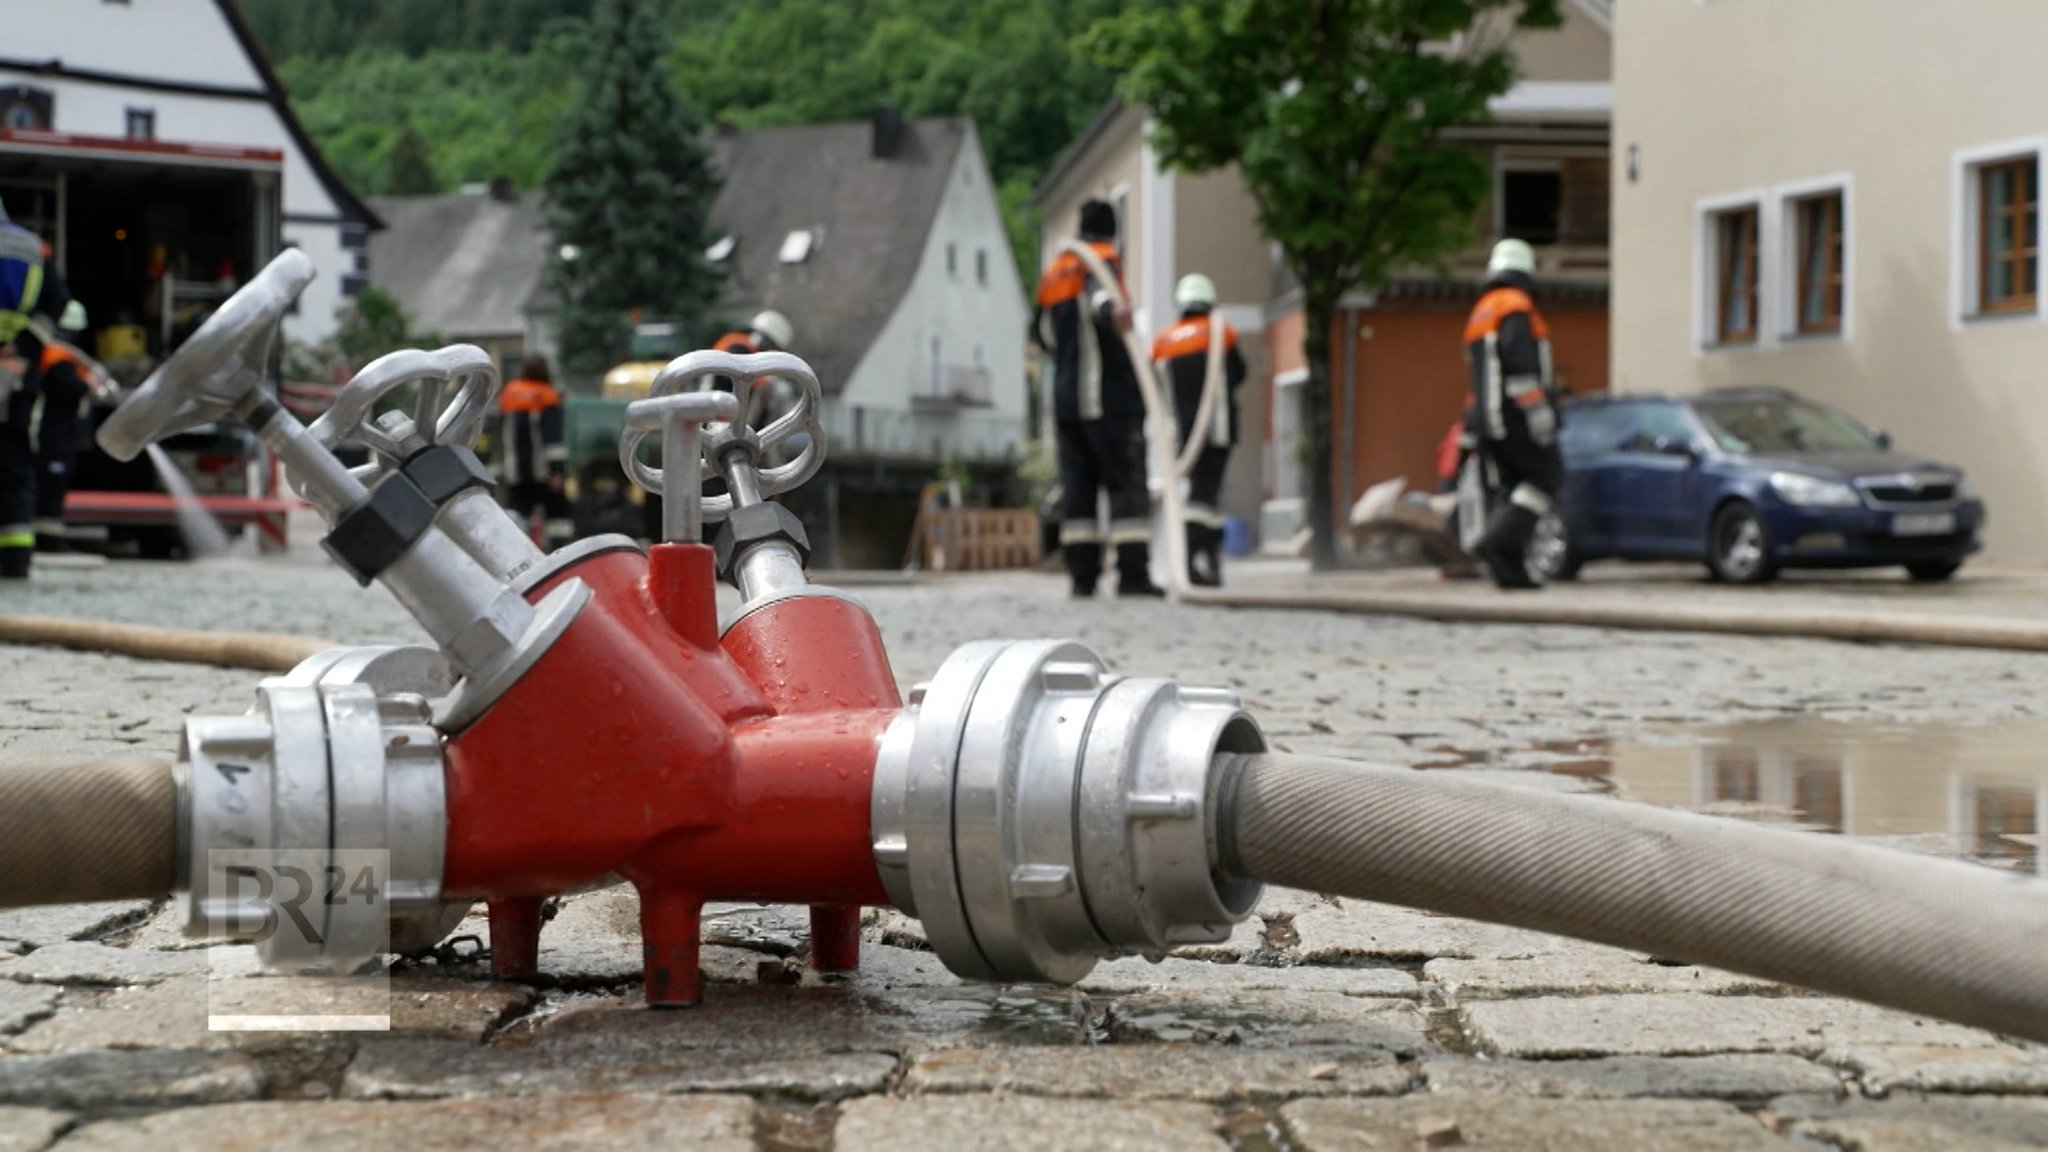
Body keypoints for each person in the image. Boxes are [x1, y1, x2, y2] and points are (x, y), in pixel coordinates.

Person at [1032, 198, 1161, 598]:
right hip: (1106, 397)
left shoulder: (1053, 273)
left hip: (1066, 401)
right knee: (1125, 483)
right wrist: (1113, 315)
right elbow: (1101, 299)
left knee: (1078, 488)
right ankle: (1132, 575)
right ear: (1111, 229)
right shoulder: (1102, 259)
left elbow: (1040, 335)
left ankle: (1082, 577)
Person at [1462, 238, 1563, 591]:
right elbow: (1519, 365)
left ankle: (1510, 571)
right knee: (1547, 476)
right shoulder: (1516, 307)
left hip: (1485, 420)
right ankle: (1496, 543)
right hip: (1513, 417)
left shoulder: (1481, 311)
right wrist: (1537, 411)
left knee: (1510, 489)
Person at [1150, 273, 1245, 587]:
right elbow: (1238, 374)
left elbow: (1155, 388)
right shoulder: (1221, 333)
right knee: (1207, 496)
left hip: (1180, 435)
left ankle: (1196, 561)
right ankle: (1199, 560)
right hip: (1216, 430)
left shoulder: (1163, 342)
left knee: (1197, 496)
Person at [0, 215, 72, 579]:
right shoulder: (31, 248)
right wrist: (24, 346)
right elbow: (57, 300)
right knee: (14, 459)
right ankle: (15, 560)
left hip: (14, 366)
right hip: (14, 369)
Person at [495, 353, 572, 549]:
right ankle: (559, 549)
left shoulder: (509, 394)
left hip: (515, 470)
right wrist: (557, 471)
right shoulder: (546, 395)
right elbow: (552, 439)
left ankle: (515, 551)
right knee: (557, 514)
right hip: (542, 471)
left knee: (518, 514)